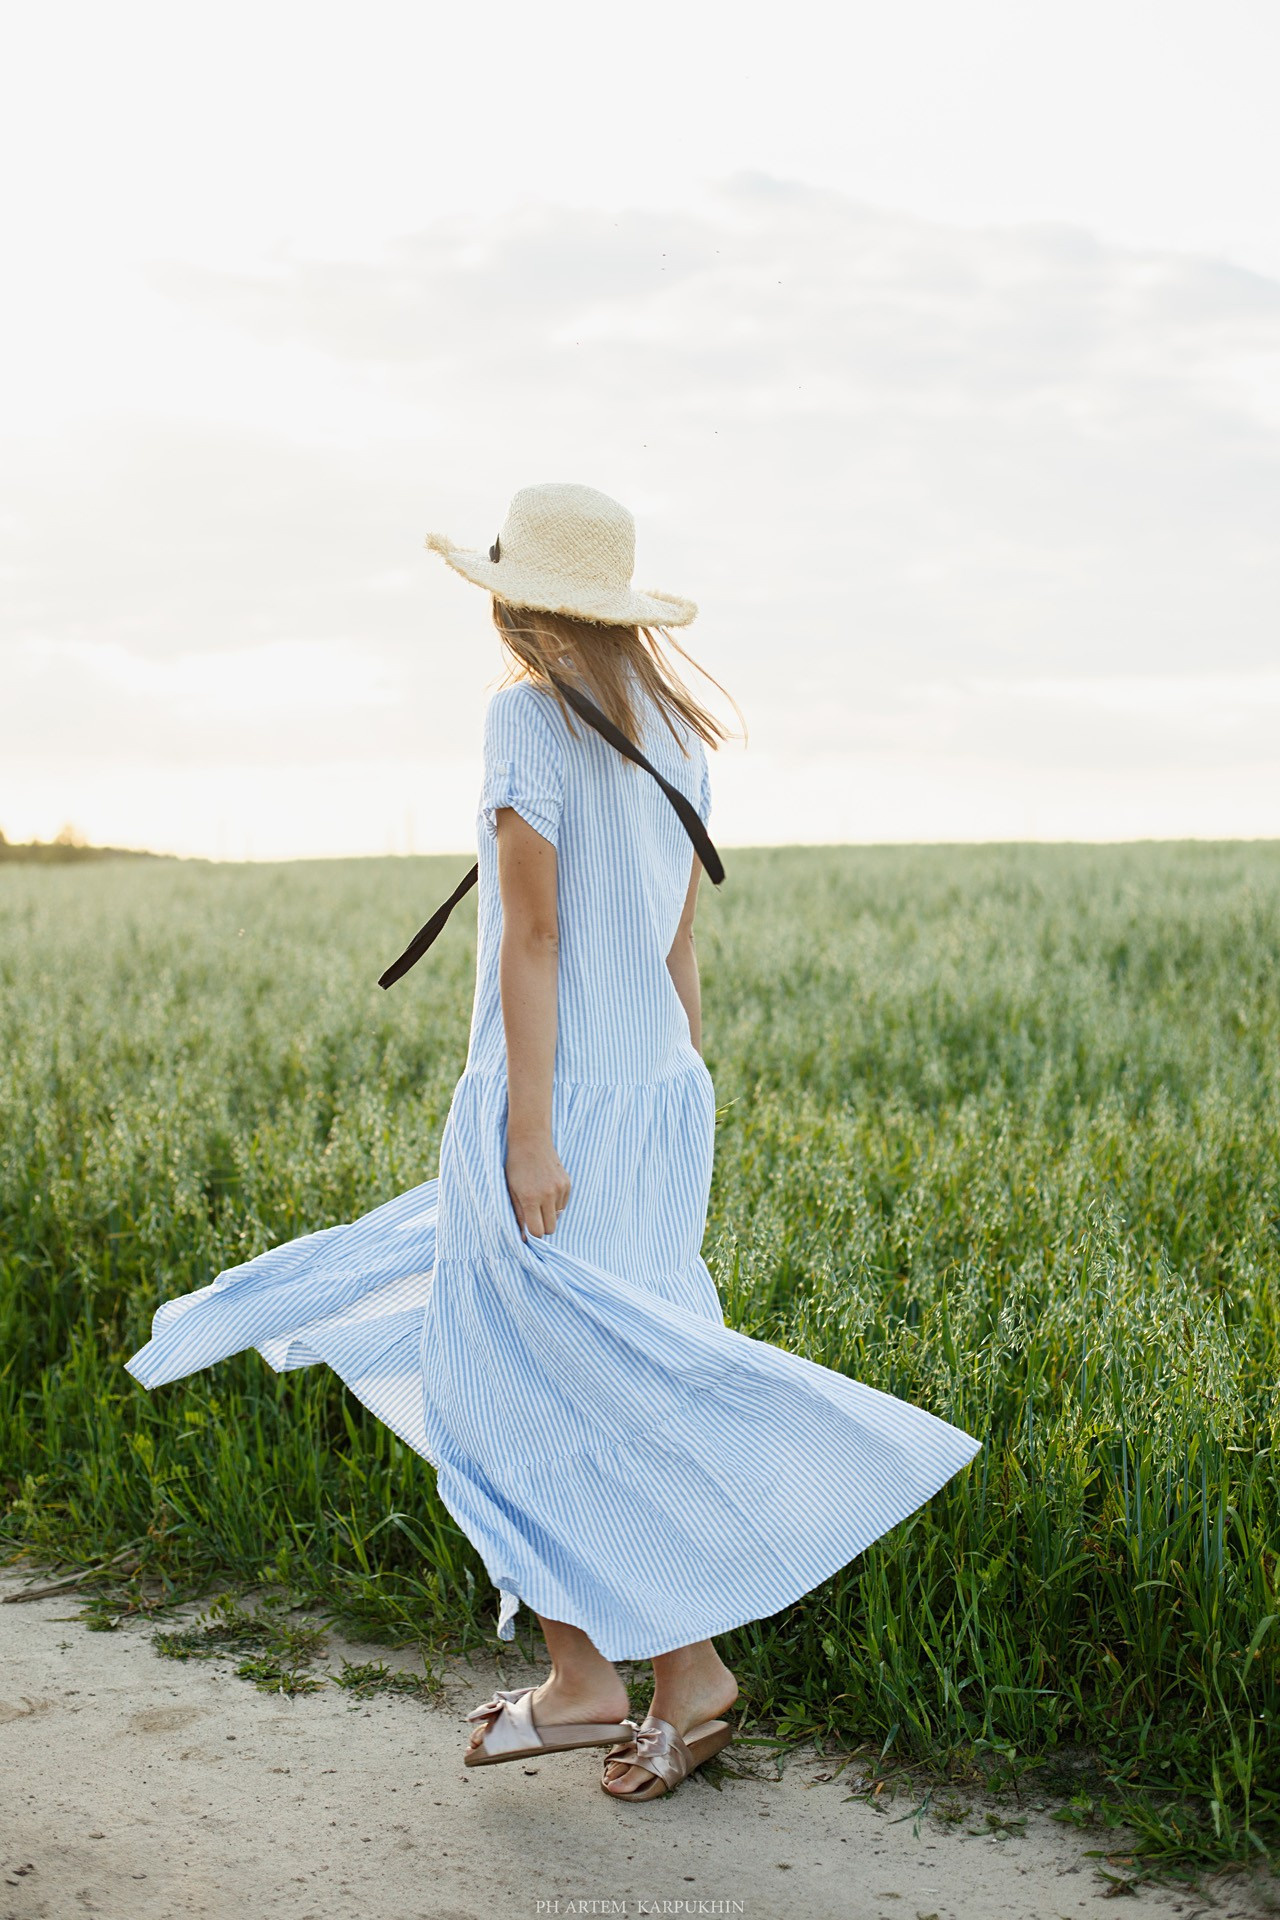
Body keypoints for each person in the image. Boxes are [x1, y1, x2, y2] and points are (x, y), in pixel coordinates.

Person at [126, 482, 981, 1802]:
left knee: (502, 1393)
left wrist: (530, 1132)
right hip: (654, 1099)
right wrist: (672, 1078)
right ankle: (669, 1677)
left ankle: (599, 1679)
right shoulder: (680, 731)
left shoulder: (524, 716)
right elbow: (673, 939)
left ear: (520, 599)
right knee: (607, 1386)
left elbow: (535, 936)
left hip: (559, 1106)